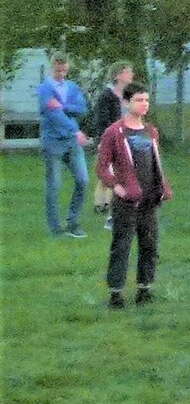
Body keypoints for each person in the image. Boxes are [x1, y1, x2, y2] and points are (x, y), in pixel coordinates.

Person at [100, 83, 172, 307]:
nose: (144, 104)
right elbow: (102, 167)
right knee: (122, 245)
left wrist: (162, 187)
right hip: (127, 201)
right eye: (139, 100)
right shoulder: (115, 132)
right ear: (126, 102)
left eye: (147, 100)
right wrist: (117, 187)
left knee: (149, 244)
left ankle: (145, 289)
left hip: (150, 198)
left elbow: (155, 163)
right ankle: (116, 293)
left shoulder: (150, 131)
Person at [37, 54, 89, 238]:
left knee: (82, 180)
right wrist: (73, 129)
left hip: (72, 142)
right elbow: (53, 115)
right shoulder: (45, 89)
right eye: (58, 70)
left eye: (64, 70)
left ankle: (72, 221)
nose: (61, 73)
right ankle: (55, 228)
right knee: (54, 185)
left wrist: (63, 107)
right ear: (52, 68)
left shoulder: (72, 87)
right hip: (53, 141)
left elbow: (81, 108)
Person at [86, 62, 132, 228]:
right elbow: (101, 121)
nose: (130, 75)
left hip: (127, 141)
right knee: (114, 179)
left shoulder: (129, 95)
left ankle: (119, 214)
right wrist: (102, 142)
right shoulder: (107, 96)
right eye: (127, 72)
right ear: (117, 75)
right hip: (111, 142)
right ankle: (111, 216)